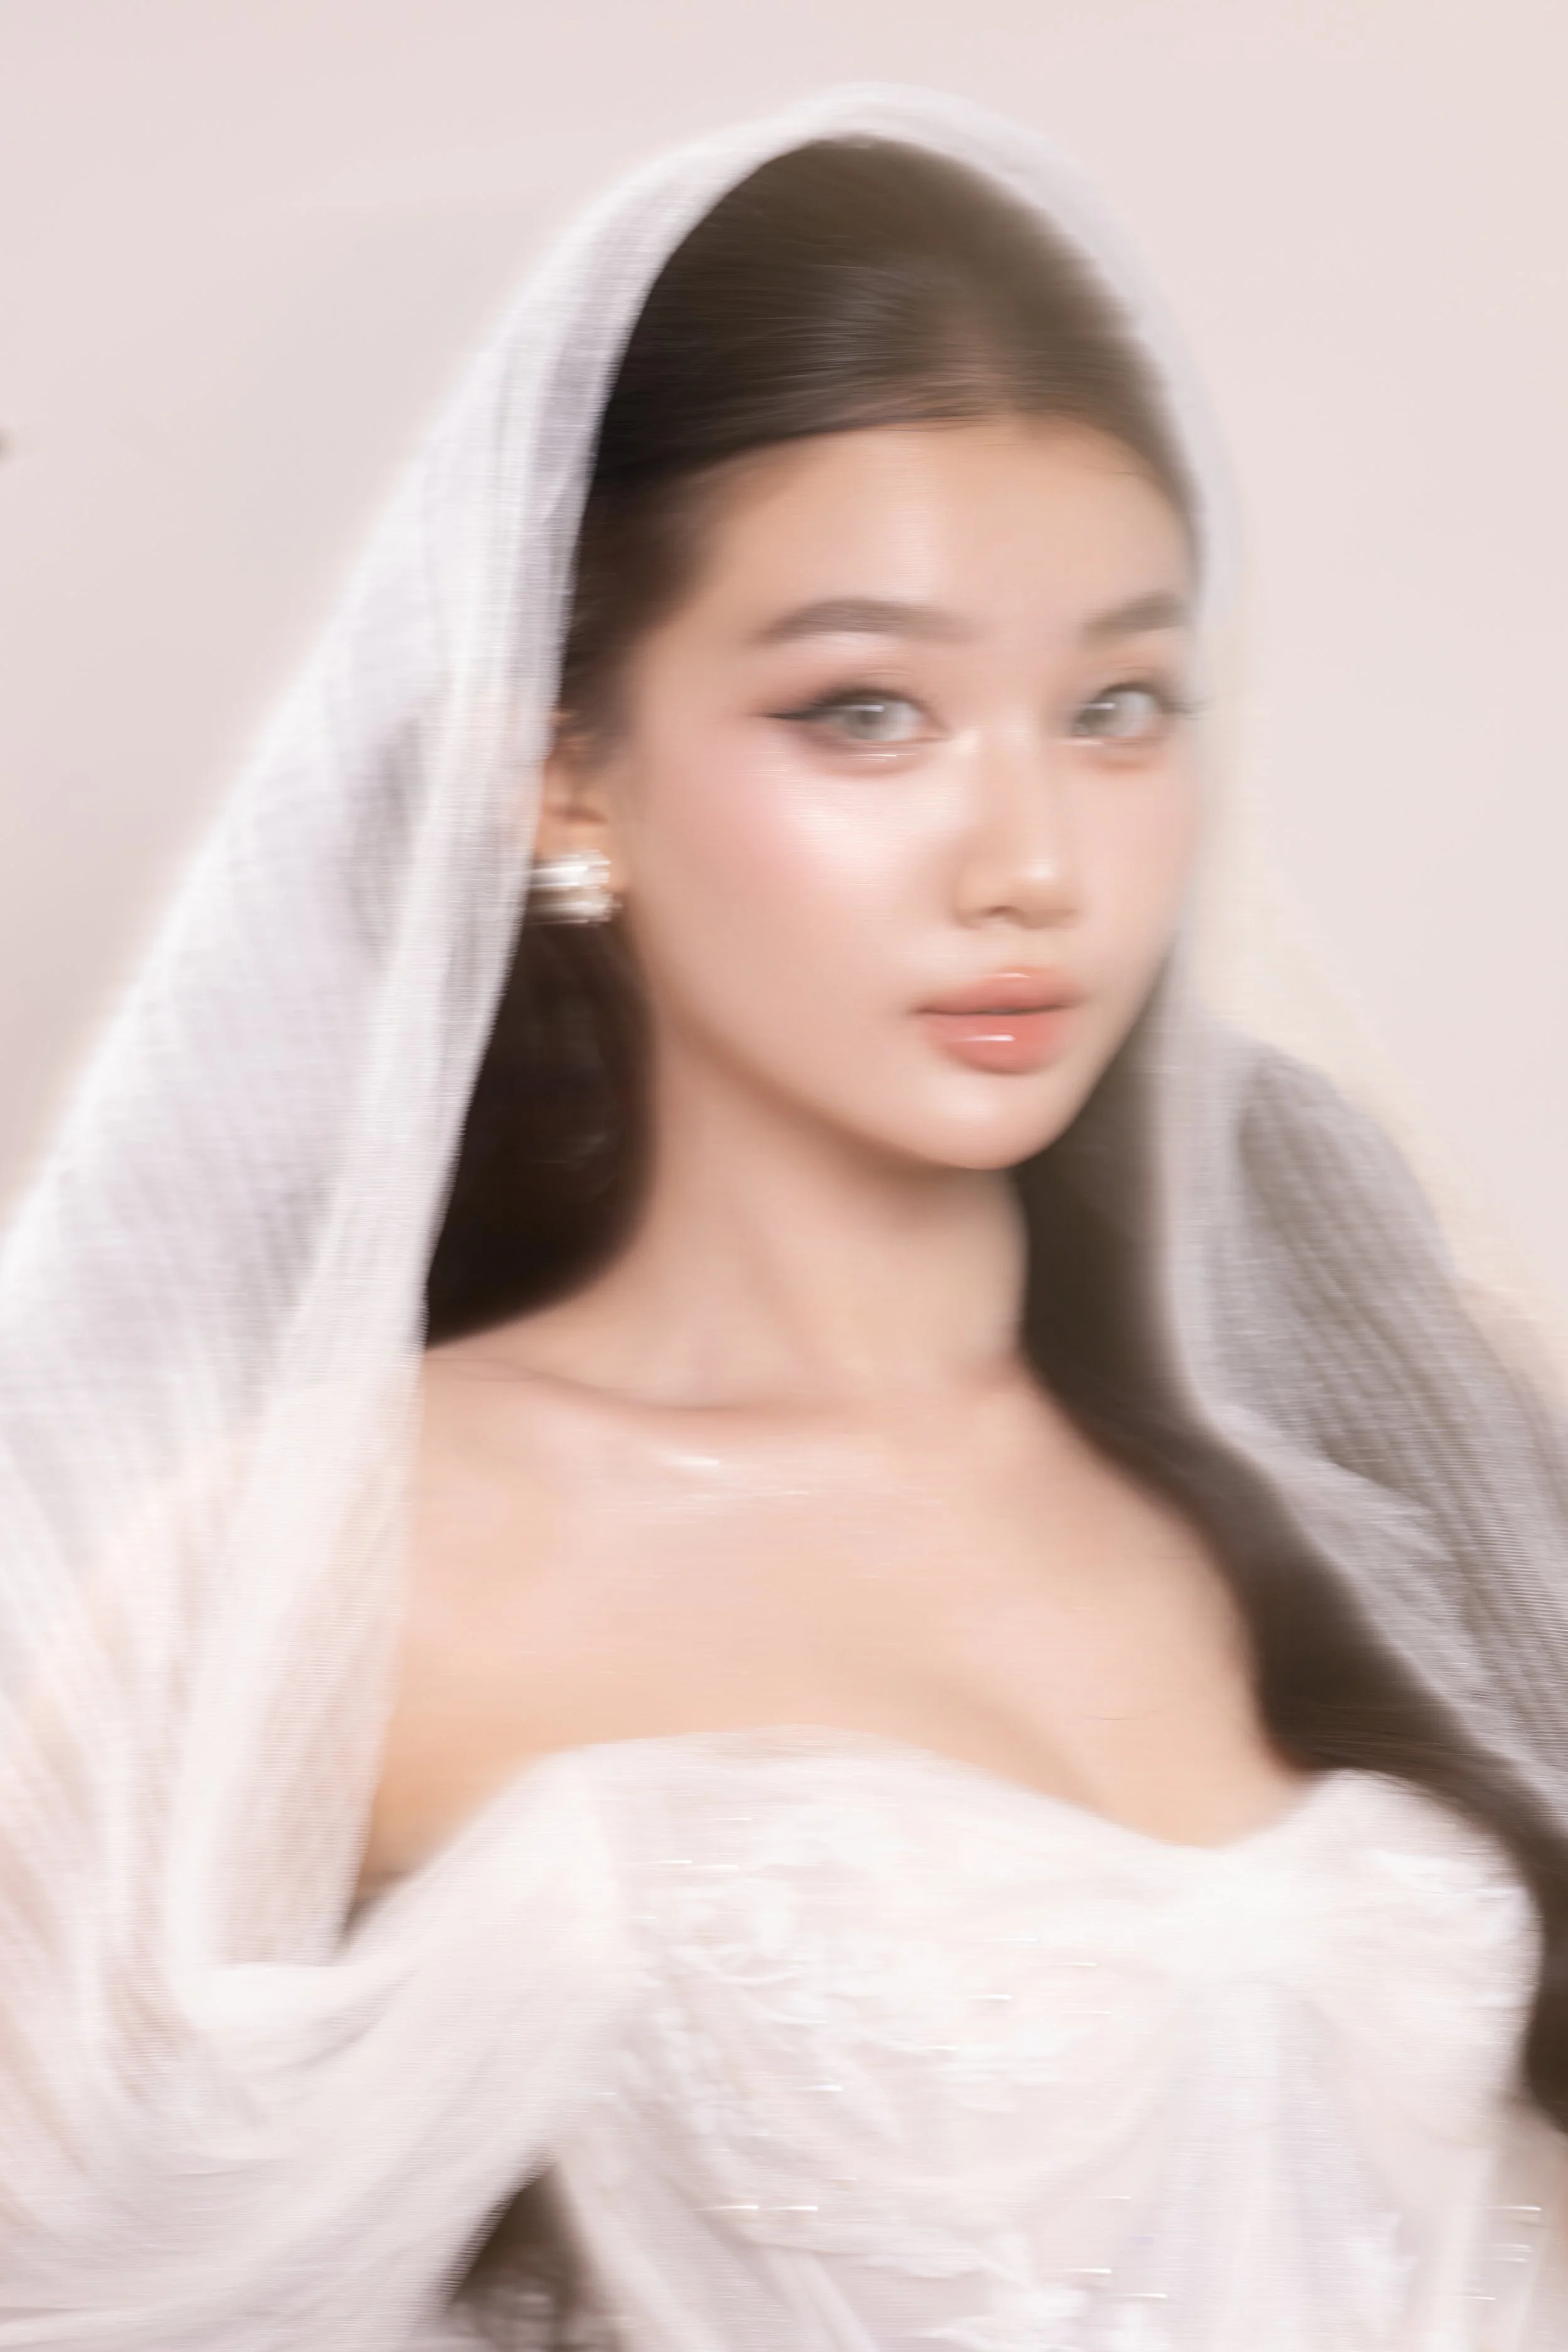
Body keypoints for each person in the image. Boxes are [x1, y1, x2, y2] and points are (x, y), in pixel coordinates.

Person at [4, 82, 1568, 2352]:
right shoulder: (335, 1565)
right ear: (568, 774)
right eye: (865, 713)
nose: (1030, 853)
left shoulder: (1378, 1418)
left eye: (1114, 705)